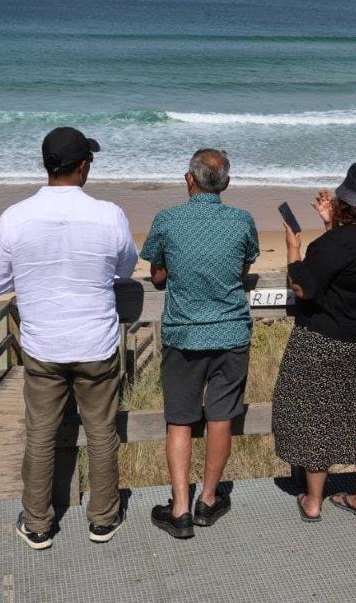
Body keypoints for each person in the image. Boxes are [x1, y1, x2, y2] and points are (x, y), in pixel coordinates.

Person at [0, 126, 138, 550]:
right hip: (97, 343)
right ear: (84, 166)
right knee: (102, 431)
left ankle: (37, 523)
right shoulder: (109, 214)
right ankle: (103, 519)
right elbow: (126, 270)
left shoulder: (14, 216)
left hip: (43, 345)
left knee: (41, 434)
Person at [140, 149, 259, 539]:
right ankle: (208, 500)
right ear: (224, 182)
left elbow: (157, 276)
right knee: (220, 417)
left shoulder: (168, 220)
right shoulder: (242, 221)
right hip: (230, 334)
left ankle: (179, 509)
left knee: (180, 421)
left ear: (189, 180)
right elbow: (244, 268)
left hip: (184, 335)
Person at [272, 162, 356, 523]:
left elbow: (304, 287)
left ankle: (313, 501)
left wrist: (293, 248)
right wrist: (330, 226)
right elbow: (347, 265)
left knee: (313, 416)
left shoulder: (337, 243)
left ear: (348, 202)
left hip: (324, 340)